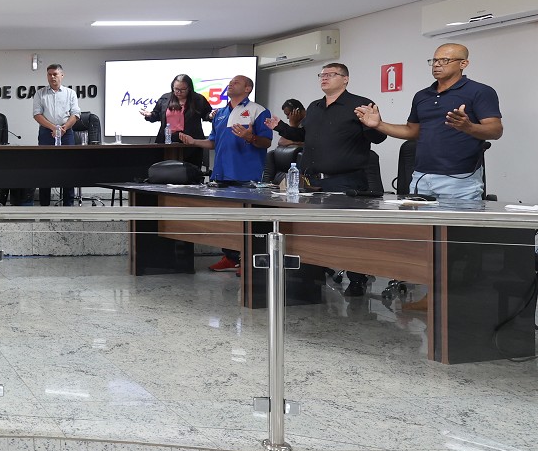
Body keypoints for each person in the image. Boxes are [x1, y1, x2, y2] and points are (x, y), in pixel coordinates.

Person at [265, 63, 386, 295]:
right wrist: (280, 127)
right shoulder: (315, 106)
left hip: (345, 181)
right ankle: (312, 279)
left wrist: (374, 124)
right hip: (313, 183)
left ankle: (357, 279)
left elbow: (378, 138)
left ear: (345, 79)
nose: (324, 78)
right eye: (322, 75)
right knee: (313, 231)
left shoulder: (360, 105)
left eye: (331, 74)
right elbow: (305, 136)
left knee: (347, 233)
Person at [355, 43, 502, 201]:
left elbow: (496, 131)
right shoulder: (422, 96)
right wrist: (379, 125)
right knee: (417, 218)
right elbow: (412, 131)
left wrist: (468, 127)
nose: (437, 64)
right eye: (434, 60)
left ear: (463, 64)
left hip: (460, 179)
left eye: (445, 60)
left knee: (455, 219)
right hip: (421, 177)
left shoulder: (480, 91)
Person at [178, 74, 271, 273]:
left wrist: (250, 137)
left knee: (247, 222)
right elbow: (213, 142)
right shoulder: (220, 113)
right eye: (229, 83)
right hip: (221, 175)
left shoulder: (258, 110)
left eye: (236, 82)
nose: (230, 85)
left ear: (248, 88)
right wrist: (194, 142)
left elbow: (266, 142)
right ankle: (230, 257)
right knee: (226, 222)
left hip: (246, 176)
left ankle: (248, 261)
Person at [31, 64, 81, 206]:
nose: (52, 77)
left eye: (55, 74)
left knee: (68, 168)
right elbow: (37, 114)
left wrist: (63, 128)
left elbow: (76, 114)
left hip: (66, 133)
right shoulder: (40, 93)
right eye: (49, 74)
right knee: (45, 168)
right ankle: (44, 204)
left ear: (62, 75)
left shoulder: (70, 93)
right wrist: (54, 128)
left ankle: (68, 204)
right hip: (46, 132)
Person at [139, 75, 213, 154]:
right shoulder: (165, 98)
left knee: (191, 161)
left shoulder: (198, 99)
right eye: (176, 89)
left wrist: (210, 116)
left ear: (189, 88)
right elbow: (156, 115)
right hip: (166, 141)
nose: (179, 92)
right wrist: (150, 115)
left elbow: (206, 114)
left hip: (191, 141)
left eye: (182, 90)